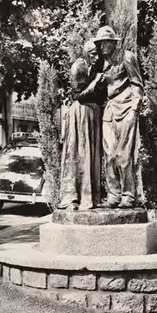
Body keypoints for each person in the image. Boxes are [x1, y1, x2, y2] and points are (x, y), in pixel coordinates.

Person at [93, 25, 144, 208]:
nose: (101, 46)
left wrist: (134, 109)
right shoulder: (100, 63)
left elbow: (137, 84)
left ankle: (128, 195)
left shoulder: (127, 57)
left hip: (126, 110)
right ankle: (113, 194)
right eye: (99, 43)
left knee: (124, 155)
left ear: (113, 43)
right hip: (109, 111)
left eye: (105, 42)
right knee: (109, 155)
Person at [58, 40, 105, 211]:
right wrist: (95, 83)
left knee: (90, 154)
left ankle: (91, 196)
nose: (96, 56)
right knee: (77, 152)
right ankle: (72, 196)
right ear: (86, 53)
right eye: (92, 53)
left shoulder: (96, 69)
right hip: (80, 113)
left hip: (92, 114)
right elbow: (78, 96)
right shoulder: (79, 67)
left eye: (97, 53)